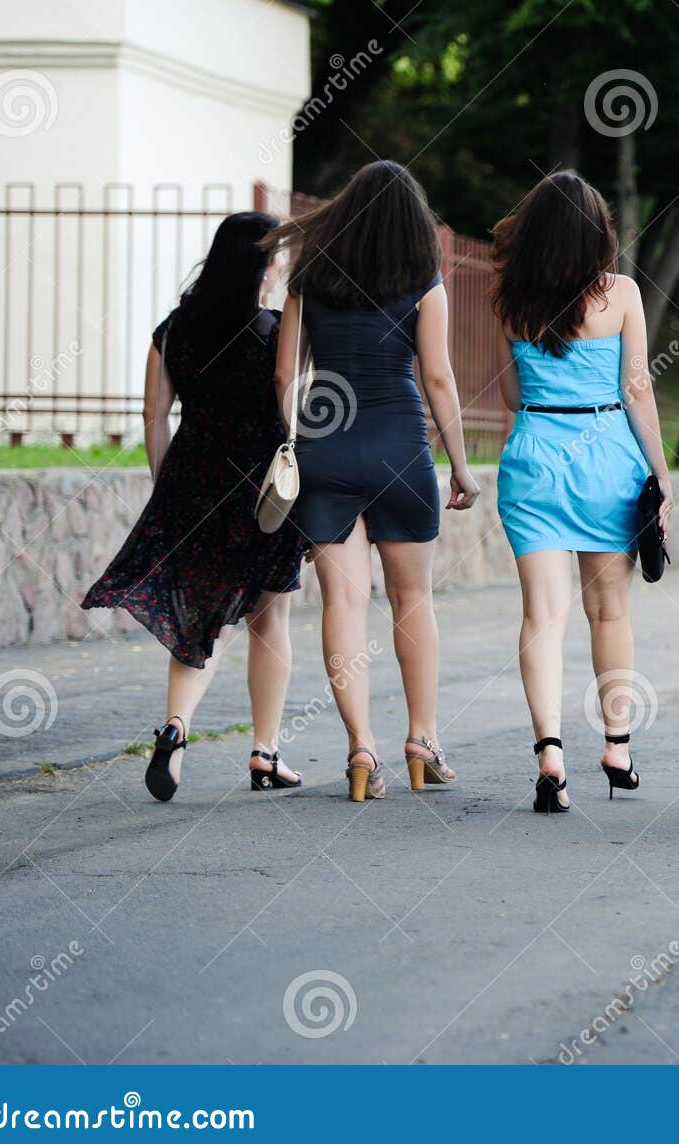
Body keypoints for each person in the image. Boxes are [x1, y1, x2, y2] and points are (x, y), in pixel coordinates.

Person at [266, 161, 482, 802]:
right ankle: (422, 739)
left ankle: (361, 749)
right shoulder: (424, 280)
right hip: (400, 451)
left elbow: (285, 378)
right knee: (413, 599)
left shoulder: (310, 279)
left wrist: (293, 442)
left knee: (344, 603)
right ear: (412, 222)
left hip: (325, 453)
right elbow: (438, 378)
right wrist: (462, 466)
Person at [82, 212, 309, 802]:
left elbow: (154, 417)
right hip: (259, 487)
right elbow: (291, 406)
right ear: (261, 263)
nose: (283, 263)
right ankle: (265, 753)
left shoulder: (172, 330)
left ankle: (176, 731)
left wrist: (166, 489)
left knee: (196, 621)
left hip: (193, 480)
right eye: (278, 254)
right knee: (269, 620)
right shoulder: (276, 331)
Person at [490, 171, 673, 815]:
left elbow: (512, 398)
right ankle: (617, 745)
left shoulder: (510, 301)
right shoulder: (620, 293)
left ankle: (550, 756)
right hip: (606, 463)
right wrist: (661, 473)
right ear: (598, 233)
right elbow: (637, 390)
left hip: (535, 459)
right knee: (610, 613)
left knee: (543, 617)